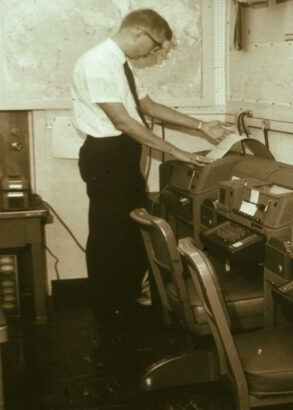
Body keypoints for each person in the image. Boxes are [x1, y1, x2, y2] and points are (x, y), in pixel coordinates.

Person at [71, 9, 229, 318]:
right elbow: (124, 122)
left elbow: (148, 106)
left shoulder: (121, 64)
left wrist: (201, 126)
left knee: (129, 231)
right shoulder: (97, 64)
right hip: (106, 156)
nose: (155, 53)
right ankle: (108, 310)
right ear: (138, 33)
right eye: (156, 46)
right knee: (108, 233)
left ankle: (125, 299)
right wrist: (177, 152)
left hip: (121, 155)